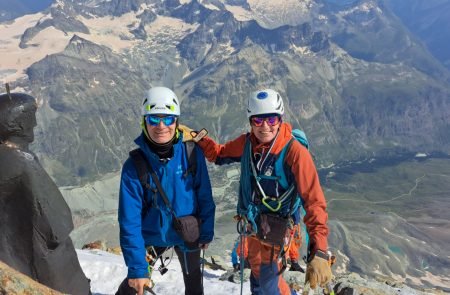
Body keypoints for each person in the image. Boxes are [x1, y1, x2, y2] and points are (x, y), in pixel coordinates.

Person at [182, 89, 331, 294]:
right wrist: (197, 137)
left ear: (280, 119)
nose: (265, 126)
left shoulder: (295, 153)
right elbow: (219, 154)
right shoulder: (247, 143)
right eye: (258, 120)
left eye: (271, 119)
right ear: (251, 121)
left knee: (269, 283)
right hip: (253, 225)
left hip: (277, 228)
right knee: (257, 279)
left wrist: (320, 251)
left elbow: (314, 202)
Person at [116, 87, 215, 295]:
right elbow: (129, 220)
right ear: (145, 122)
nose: (161, 126)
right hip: (152, 235)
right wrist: (137, 269)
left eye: (168, 119)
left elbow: (204, 195)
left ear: (176, 122)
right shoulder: (134, 165)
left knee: (195, 287)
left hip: (187, 233)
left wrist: (206, 231)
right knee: (135, 285)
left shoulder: (191, 153)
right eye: (153, 120)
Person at [0, 92, 91, 294]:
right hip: (46, 264)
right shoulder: (24, 161)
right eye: (31, 118)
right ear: (20, 124)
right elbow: (58, 223)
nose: (35, 125)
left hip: (13, 257)